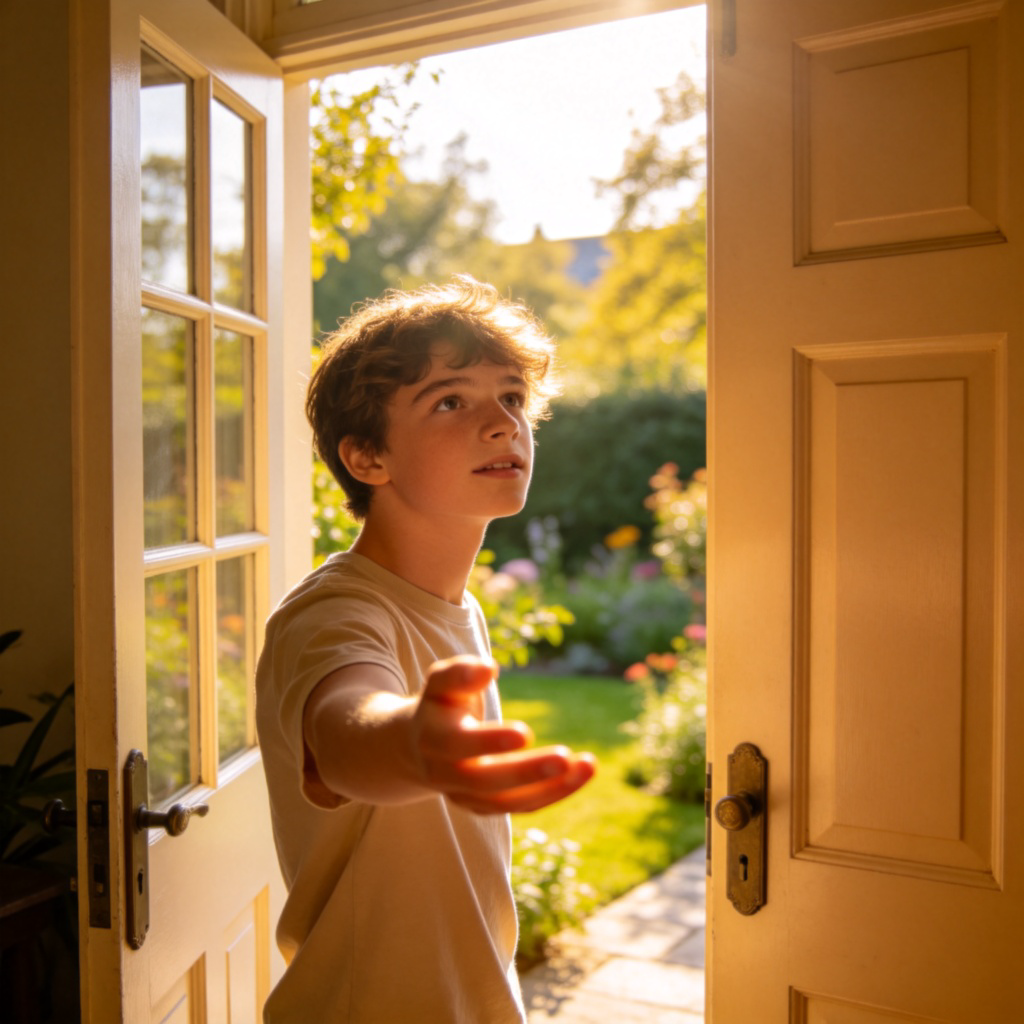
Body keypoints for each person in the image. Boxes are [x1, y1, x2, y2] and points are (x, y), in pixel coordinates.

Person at [256, 276, 596, 1023]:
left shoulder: (455, 606)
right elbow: (349, 721)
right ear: (367, 458)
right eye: (451, 400)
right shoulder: (334, 611)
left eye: (511, 395)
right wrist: (415, 744)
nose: (503, 422)